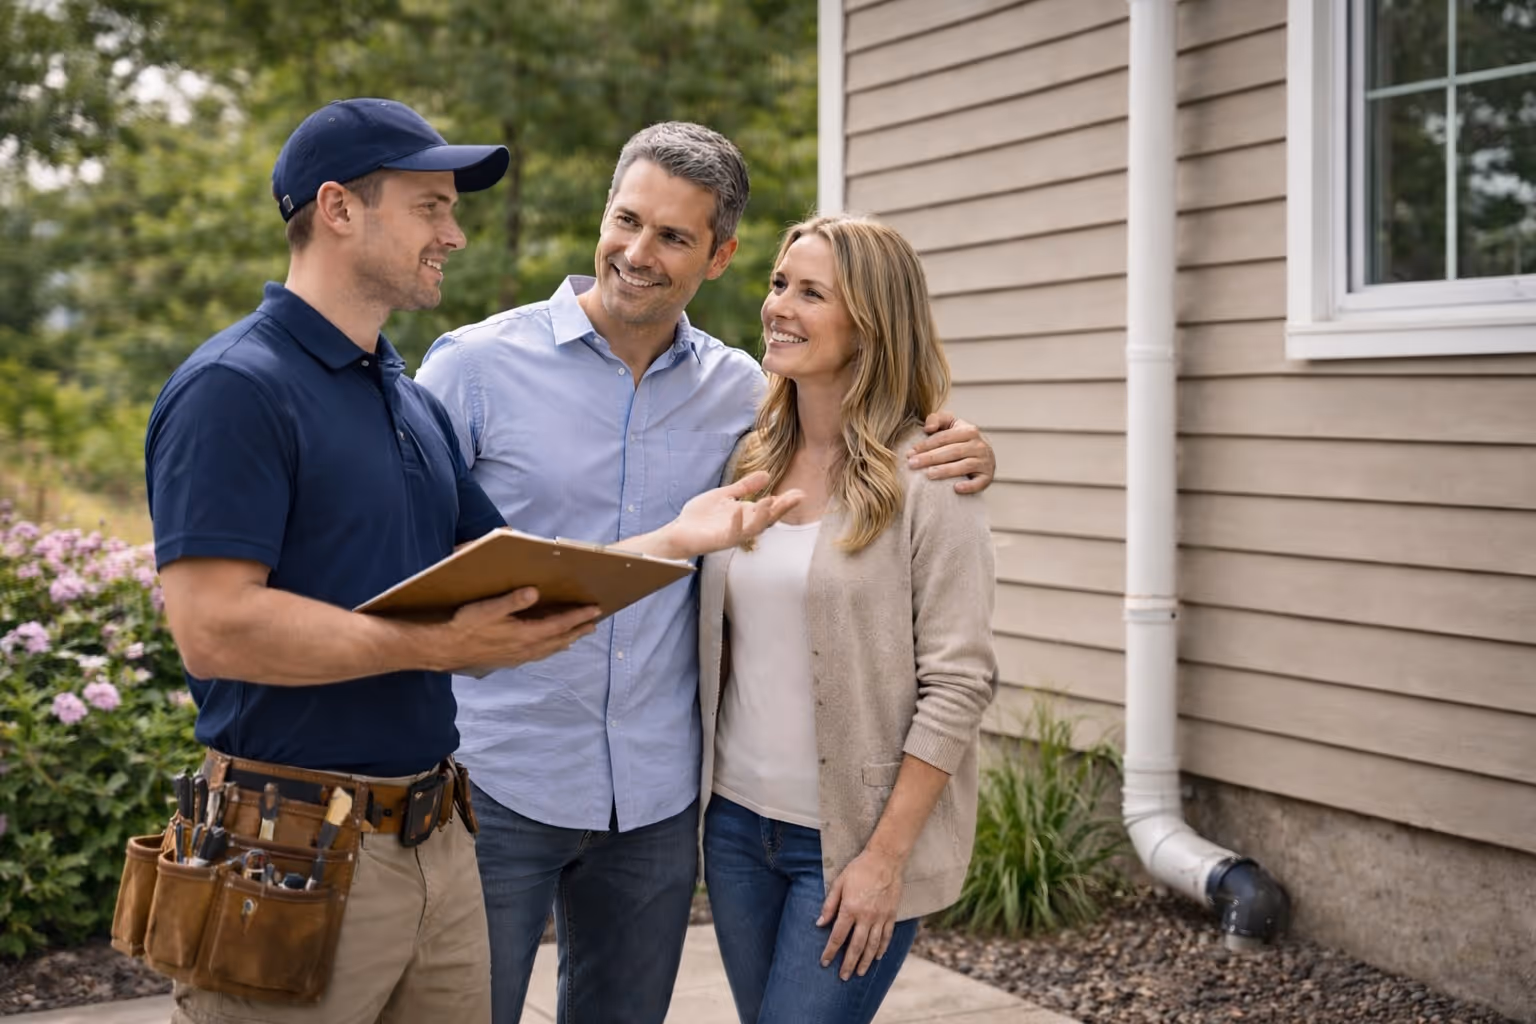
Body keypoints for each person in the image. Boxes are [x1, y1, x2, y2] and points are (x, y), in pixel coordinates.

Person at [145, 99, 800, 1024]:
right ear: (338, 208)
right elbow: (212, 628)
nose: (454, 233)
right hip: (299, 838)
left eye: (451, 209)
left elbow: (512, 584)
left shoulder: (401, 399)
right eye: (430, 207)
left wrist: (674, 539)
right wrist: (438, 644)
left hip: (439, 827)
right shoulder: (237, 388)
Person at [414, 121, 996, 1024]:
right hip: (505, 780)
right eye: (627, 221)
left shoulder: (737, 397)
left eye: (674, 236)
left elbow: (880, 463)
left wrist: (963, 447)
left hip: (654, 804)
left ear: (717, 255)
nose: (638, 253)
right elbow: (410, 555)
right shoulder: (476, 368)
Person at [697, 214, 997, 1024]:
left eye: (811, 293)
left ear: (870, 322)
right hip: (733, 830)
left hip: (848, 845)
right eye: (777, 284)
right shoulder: (746, 463)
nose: (778, 306)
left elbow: (960, 684)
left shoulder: (929, 477)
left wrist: (885, 859)